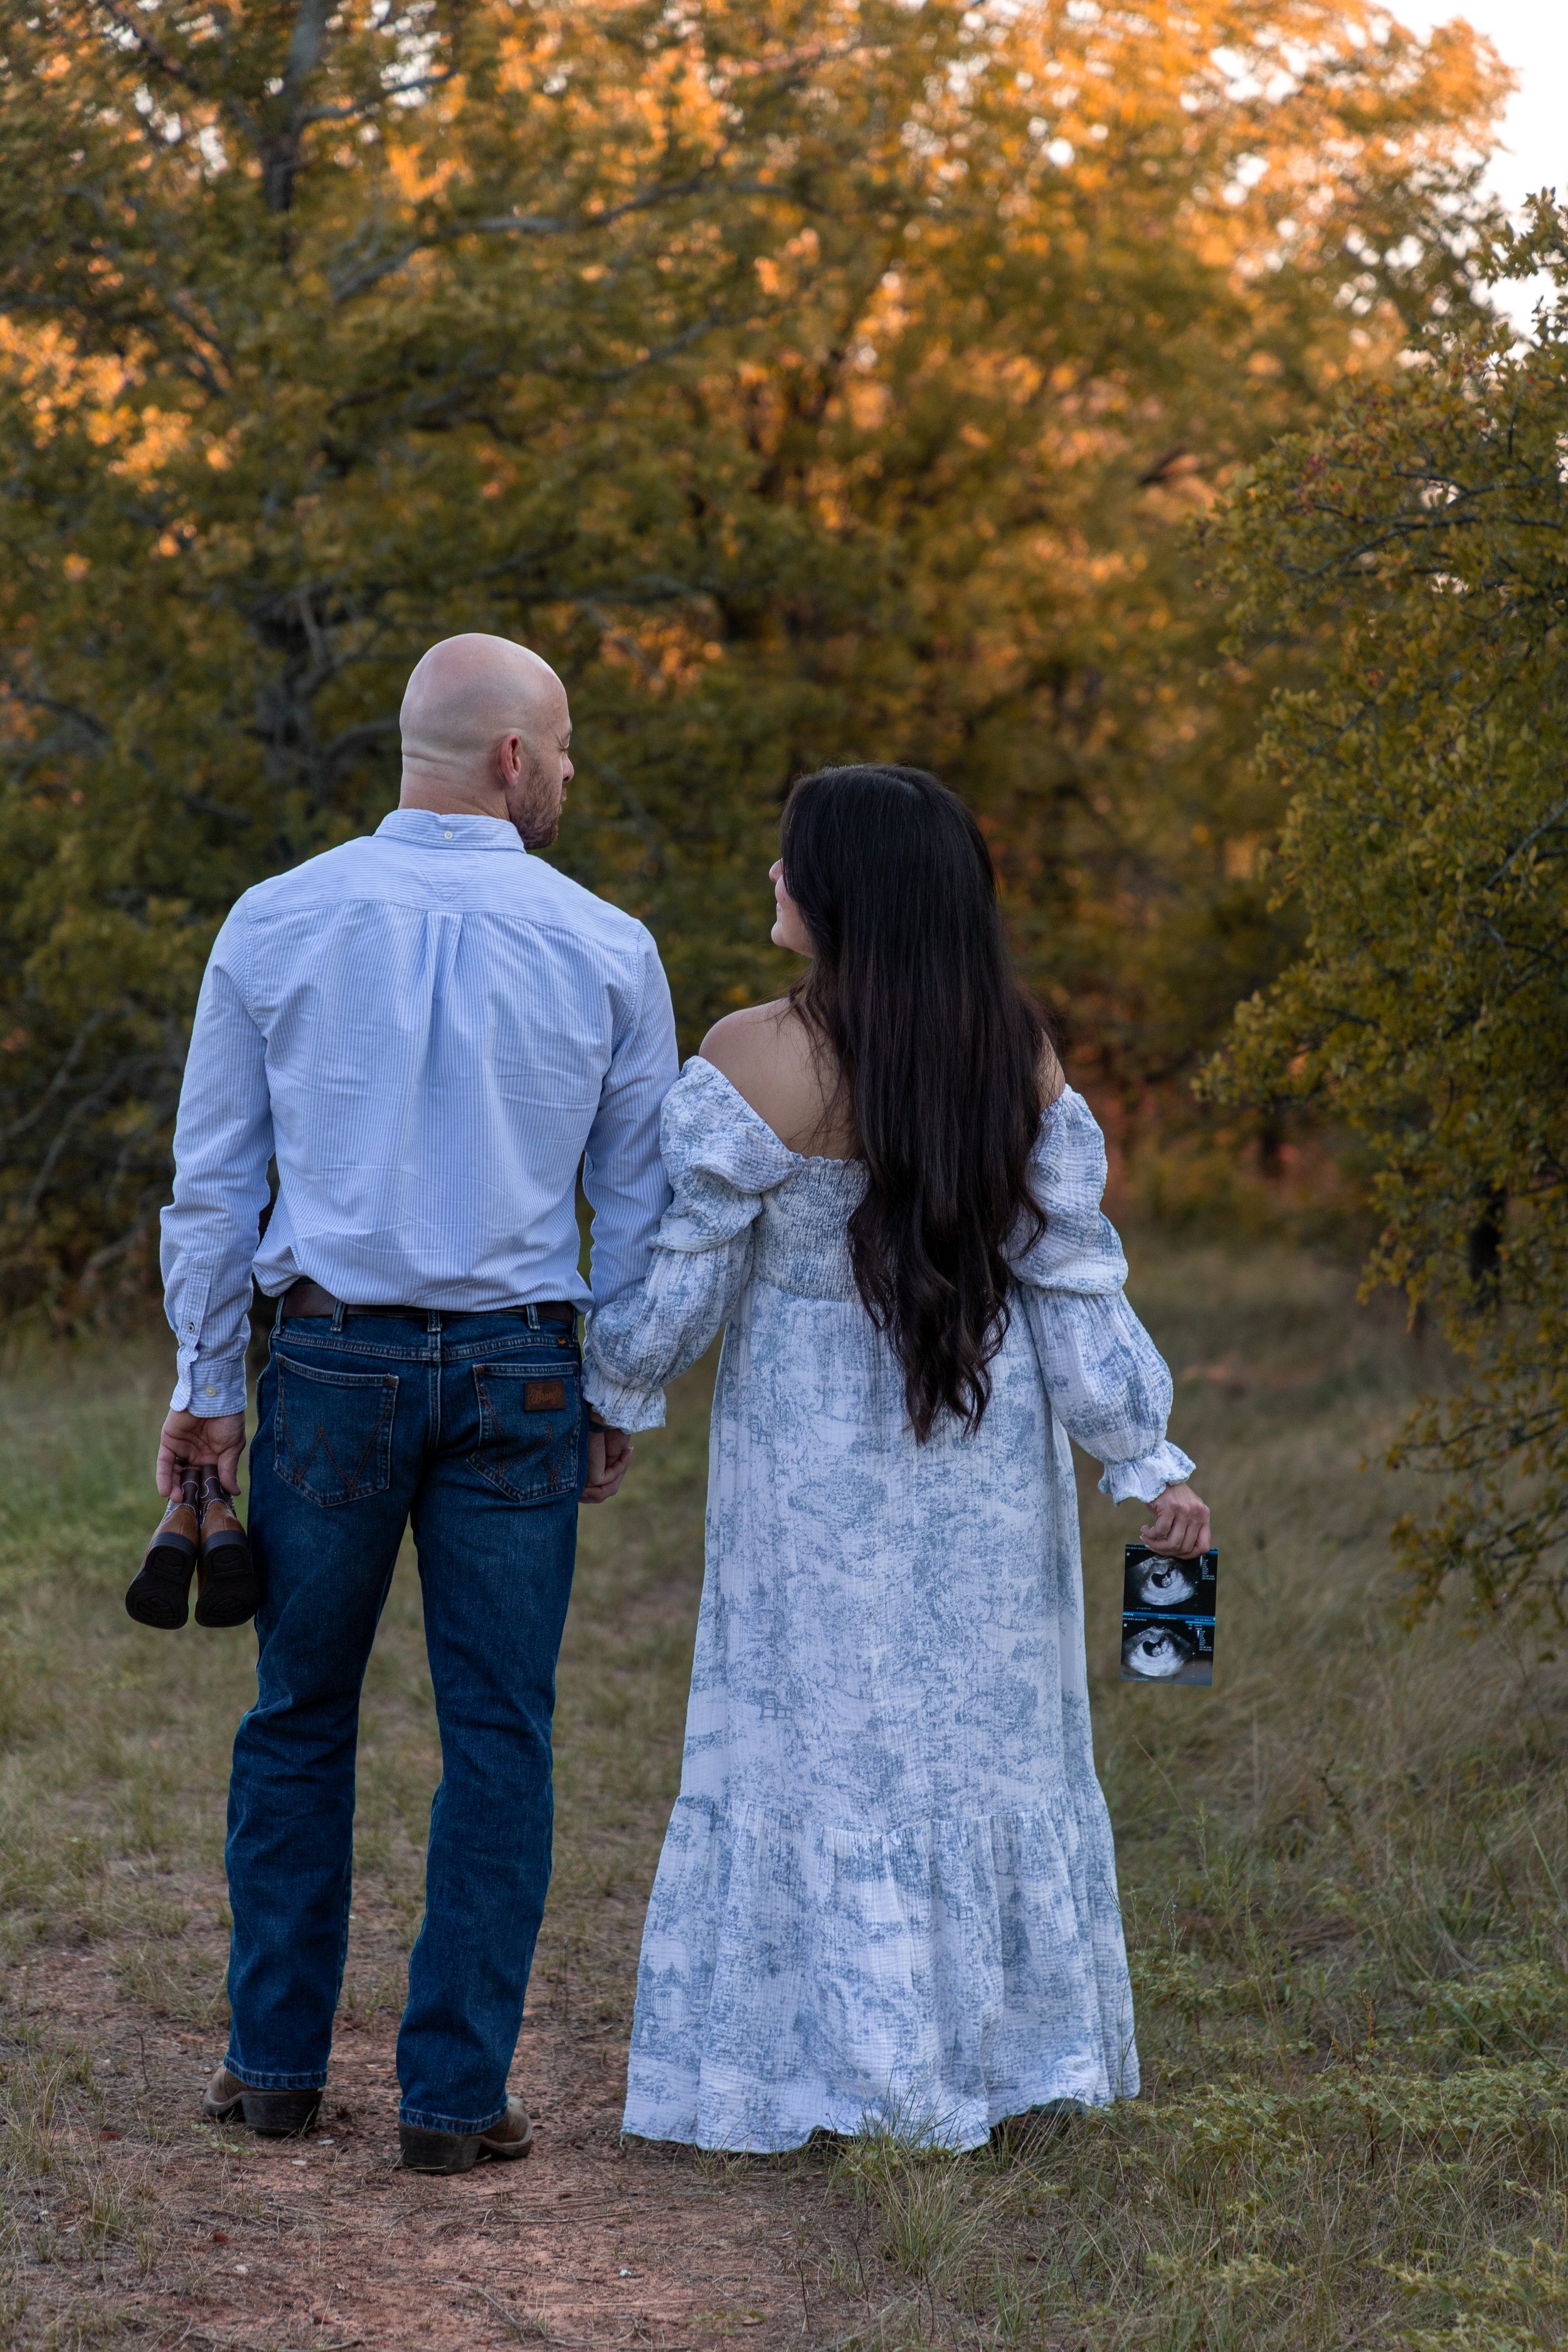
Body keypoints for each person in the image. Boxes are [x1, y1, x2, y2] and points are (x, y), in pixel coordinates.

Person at [585, 763, 1210, 2153]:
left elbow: (681, 1285)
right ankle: (984, 2061)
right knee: (974, 1750)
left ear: (845, 886)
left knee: (819, 1752)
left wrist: (611, 1392)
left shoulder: (757, 1053)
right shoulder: (1014, 1050)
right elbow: (1070, 1281)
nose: (770, 877)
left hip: (810, 1473)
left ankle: (833, 2071)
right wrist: (1139, 1452)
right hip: (982, 1457)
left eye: (787, 857)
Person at [156, 633, 677, 2173]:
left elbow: (212, 1183)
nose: (570, 773)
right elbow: (636, 1197)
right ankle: (453, 2102)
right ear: (512, 758)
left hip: (327, 1363)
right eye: (566, 747)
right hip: (521, 1366)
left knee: (298, 1716)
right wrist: (620, 1384)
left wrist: (205, 1386)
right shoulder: (606, 943)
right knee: (500, 1733)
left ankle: (273, 2073)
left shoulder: (279, 916)